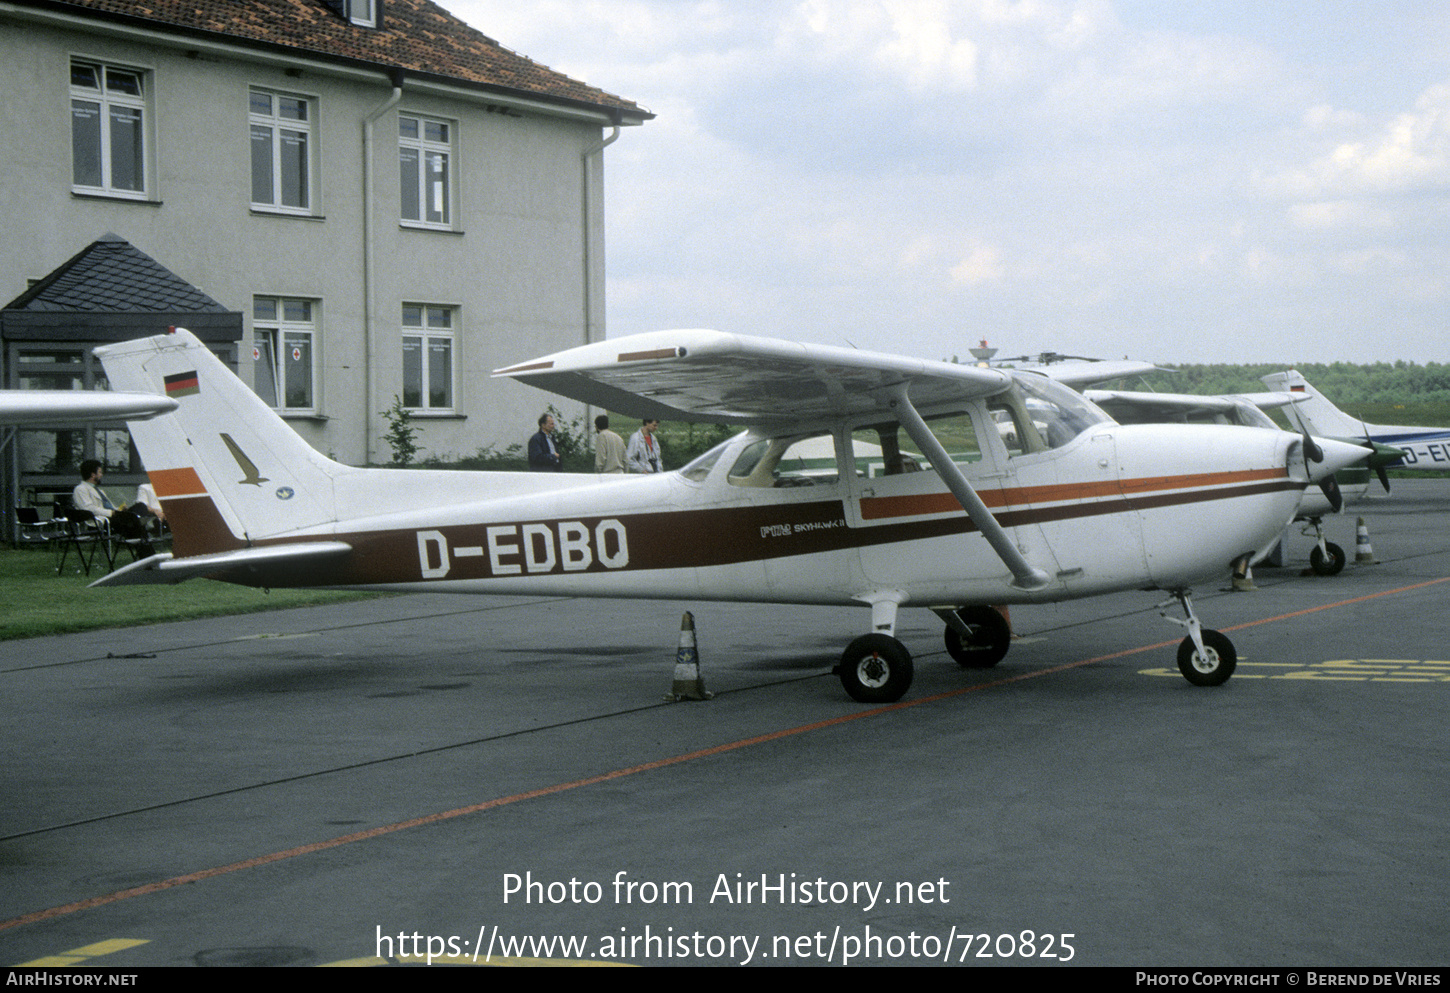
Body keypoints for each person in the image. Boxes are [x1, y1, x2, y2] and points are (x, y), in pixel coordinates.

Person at [72, 460, 153, 553]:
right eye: (100, 472)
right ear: (93, 475)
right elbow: (88, 509)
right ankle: (148, 553)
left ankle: (137, 524)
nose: (101, 475)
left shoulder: (98, 490)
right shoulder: (80, 489)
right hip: (102, 521)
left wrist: (118, 509)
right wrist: (111, 513)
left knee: (141, 506)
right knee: (136, 525)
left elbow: (109, 507)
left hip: (113, 517)